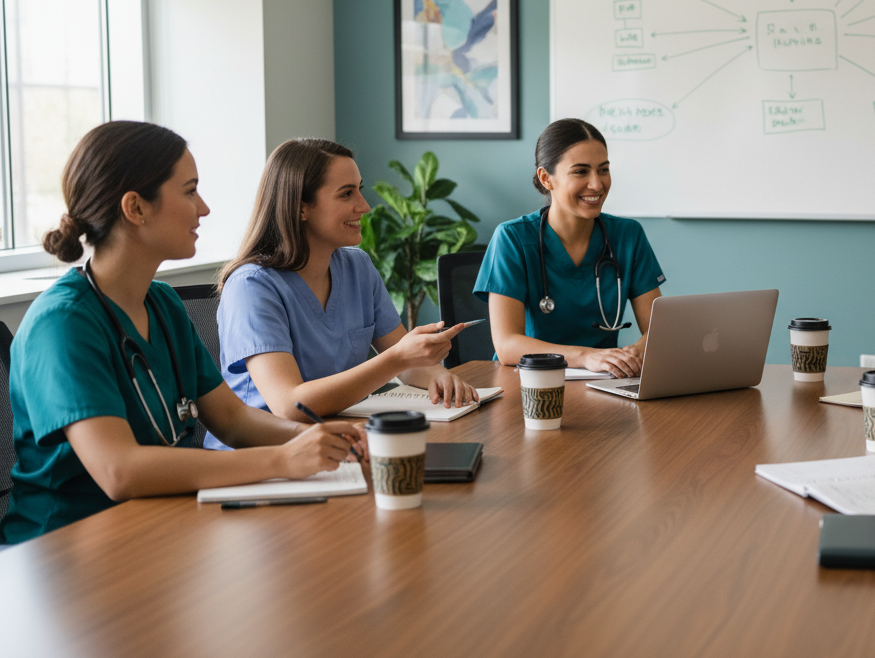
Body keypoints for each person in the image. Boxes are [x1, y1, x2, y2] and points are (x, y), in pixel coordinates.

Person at [0, 122, 365, 544]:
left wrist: (321, 441)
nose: (204, 208)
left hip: (158, 528)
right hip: (65, 551)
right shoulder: (62, 324)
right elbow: (120, 471)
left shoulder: (163, 304)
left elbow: (232, 419)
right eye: (190, 191)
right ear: (136, 208)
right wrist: (283, 459)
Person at [206, 139, 476, 450]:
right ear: (301, 207)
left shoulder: (357, 266)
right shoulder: (252, 286)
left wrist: (436, 375)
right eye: (347, 194)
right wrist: (399, 358)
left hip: (338, 441)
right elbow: (290, 406)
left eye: (359, 190)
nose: (364, 206)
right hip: (263, 457)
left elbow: (406, 360)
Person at [474, 119, 665, 377]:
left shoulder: (628, 236)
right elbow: (507, 346)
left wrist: (636, 351)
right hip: (530, 384)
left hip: (605, 384)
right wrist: (587, 356)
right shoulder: (513, 238)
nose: (597, 184)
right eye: (580, 172)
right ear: (546, 178)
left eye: (603, 170)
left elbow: (659, 328)